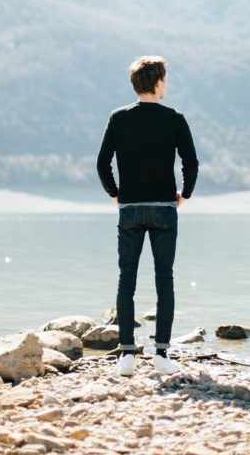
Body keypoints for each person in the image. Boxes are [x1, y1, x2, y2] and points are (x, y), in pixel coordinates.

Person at [96, 55, 198, 377]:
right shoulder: (175, 118)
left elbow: (102, 163)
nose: (167, 84)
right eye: (165, 78)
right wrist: (184, 195)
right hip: (165, 210)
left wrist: (116, 194)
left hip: (130, 210)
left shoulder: (117, 118)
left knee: (127, 280)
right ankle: (161, 355)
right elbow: (191, 163)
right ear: (156, 82)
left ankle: (126, 356)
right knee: (163, 280)